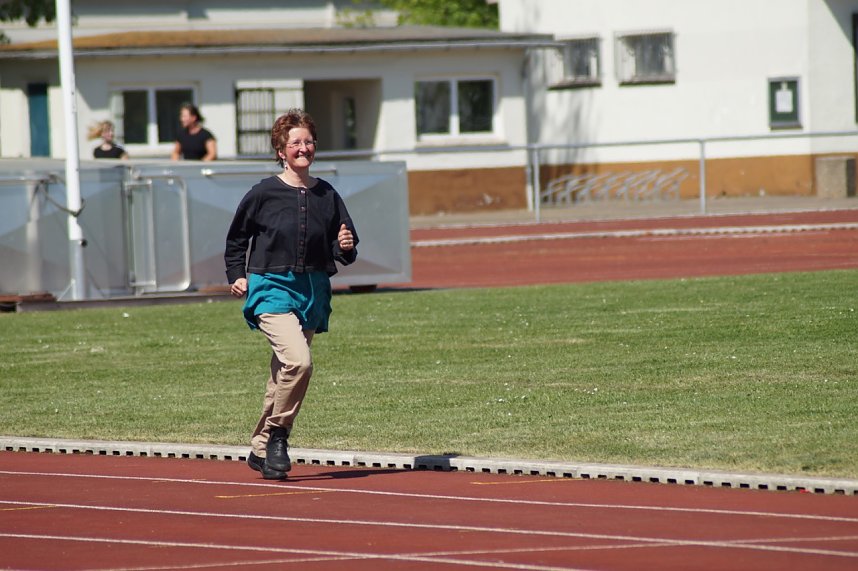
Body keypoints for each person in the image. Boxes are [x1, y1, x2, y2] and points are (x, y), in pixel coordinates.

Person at [224, 108, 358, 480]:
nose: (303, 148)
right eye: (295, 142)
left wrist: (345, 245)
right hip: (270, 287)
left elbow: (344, 246)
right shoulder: (263, 193)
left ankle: (260, 448)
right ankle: (279, 435)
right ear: (281, 151)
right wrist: (237, 275)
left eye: (308, 141)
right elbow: (236, 240)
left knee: (283, 375)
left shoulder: (327, 194)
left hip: (312, 290)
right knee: (299, 362)